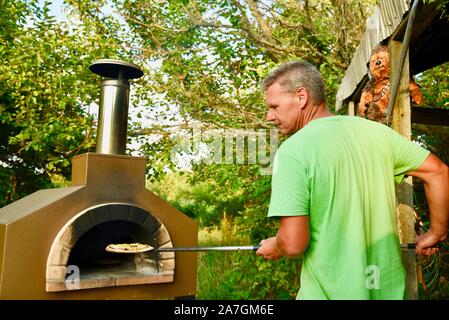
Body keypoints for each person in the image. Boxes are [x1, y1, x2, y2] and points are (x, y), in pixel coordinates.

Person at [256, 61, 449, 299]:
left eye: (274, 106)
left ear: (301, 97)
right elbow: (438, 172)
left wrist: (276, 244)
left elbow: (294, 243)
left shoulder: (292, 152)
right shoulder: (378, 134)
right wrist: (435, 233)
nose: (269, 116)